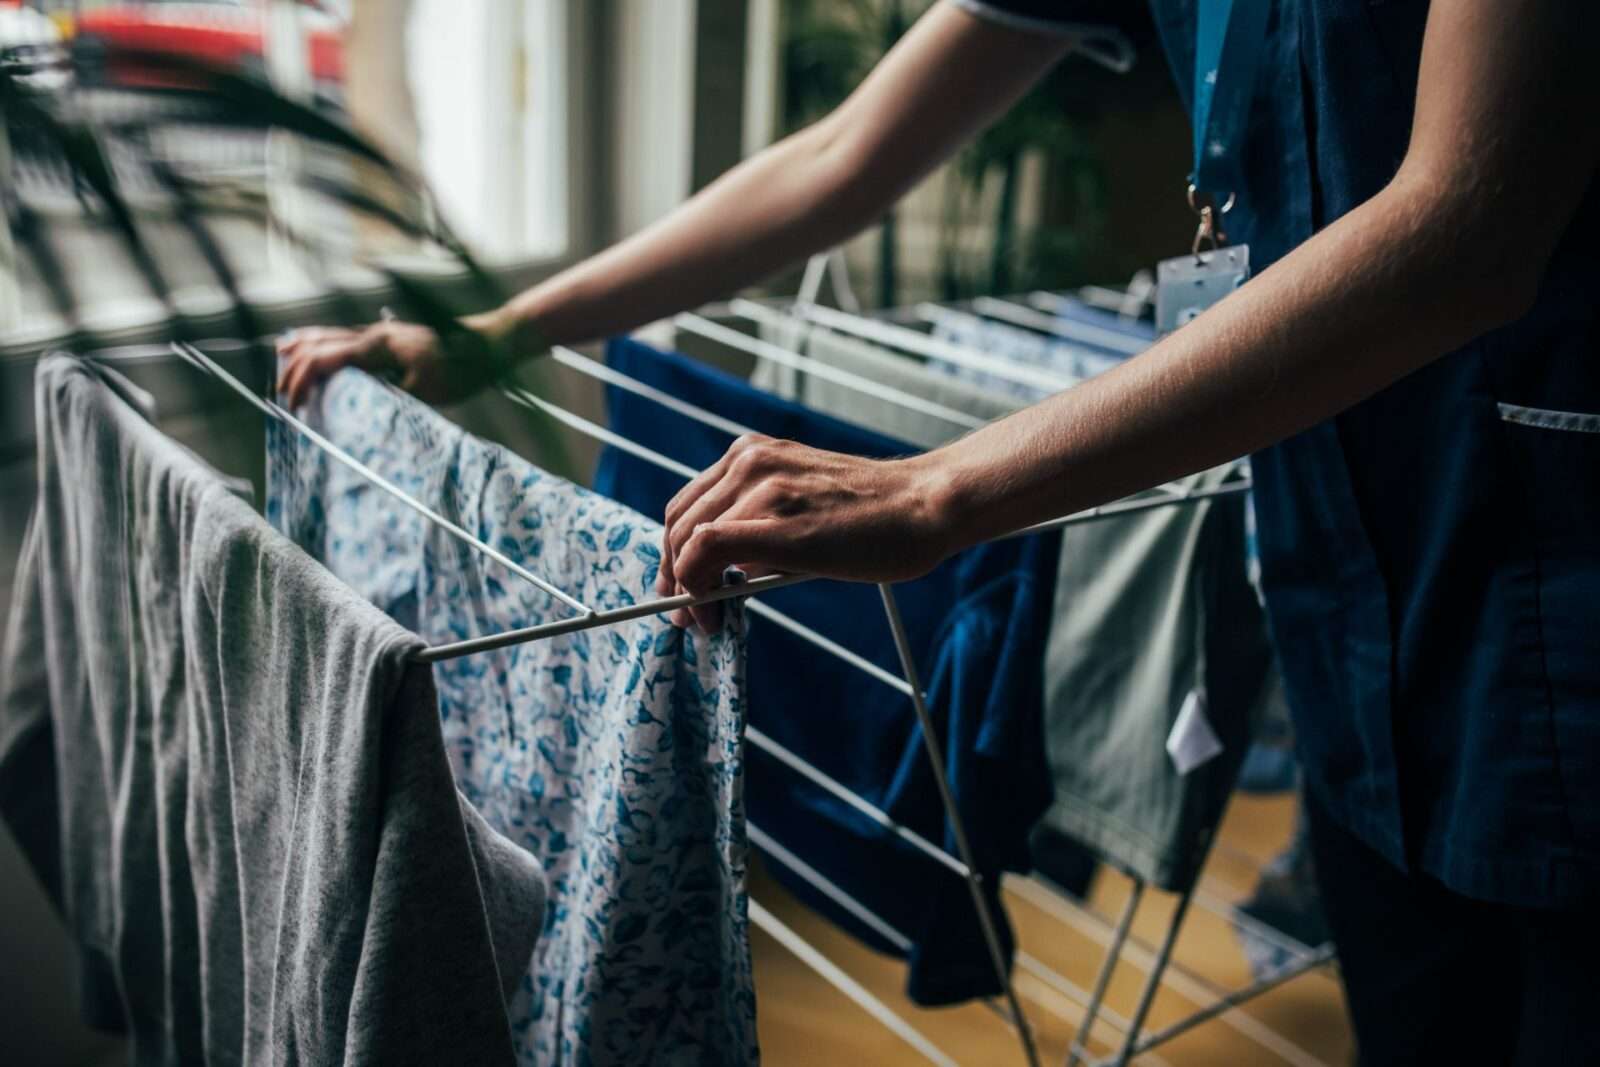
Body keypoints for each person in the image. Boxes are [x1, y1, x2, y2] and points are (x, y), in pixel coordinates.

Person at [278, 2, 1599, 1061]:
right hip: (1345, 608)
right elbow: (841, 154)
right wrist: (488, 336)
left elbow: (1469, 221)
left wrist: (937, 492)